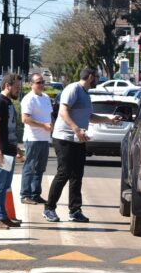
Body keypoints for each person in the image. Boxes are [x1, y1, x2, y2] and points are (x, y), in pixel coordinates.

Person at [43, 67, 122, 223]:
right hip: (64, 138)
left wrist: (109, 119)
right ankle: (49, 208)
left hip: (78, 139)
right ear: (91, 77)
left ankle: (75, 210)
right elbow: (63, 112)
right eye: (98, 77)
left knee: (77, 175)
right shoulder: (73, 89)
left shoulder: (86, 94)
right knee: (63, 173)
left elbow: (90, 117)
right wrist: (76, 129)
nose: (99, 80)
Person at [0, 73, 23, 229]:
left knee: (5, 185)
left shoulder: (8, 102)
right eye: (16, 87)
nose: (18, 90)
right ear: (7, 85)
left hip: (9, 150)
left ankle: (3, 216)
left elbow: (8, 129)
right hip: (0, 151)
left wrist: (15, 148)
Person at [20, 73, 53, 205]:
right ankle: (25, 194)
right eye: (38, 82)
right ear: (31, 84)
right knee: (30, 167)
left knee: (40, 168)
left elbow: (50, 115)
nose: (41, 85)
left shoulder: (45, 97)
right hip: (33, 138)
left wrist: (52, 125)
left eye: (42, 82)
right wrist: (43, 125)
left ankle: (35, 194)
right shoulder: (29, 99)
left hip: (45, 138)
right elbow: (25, 119)